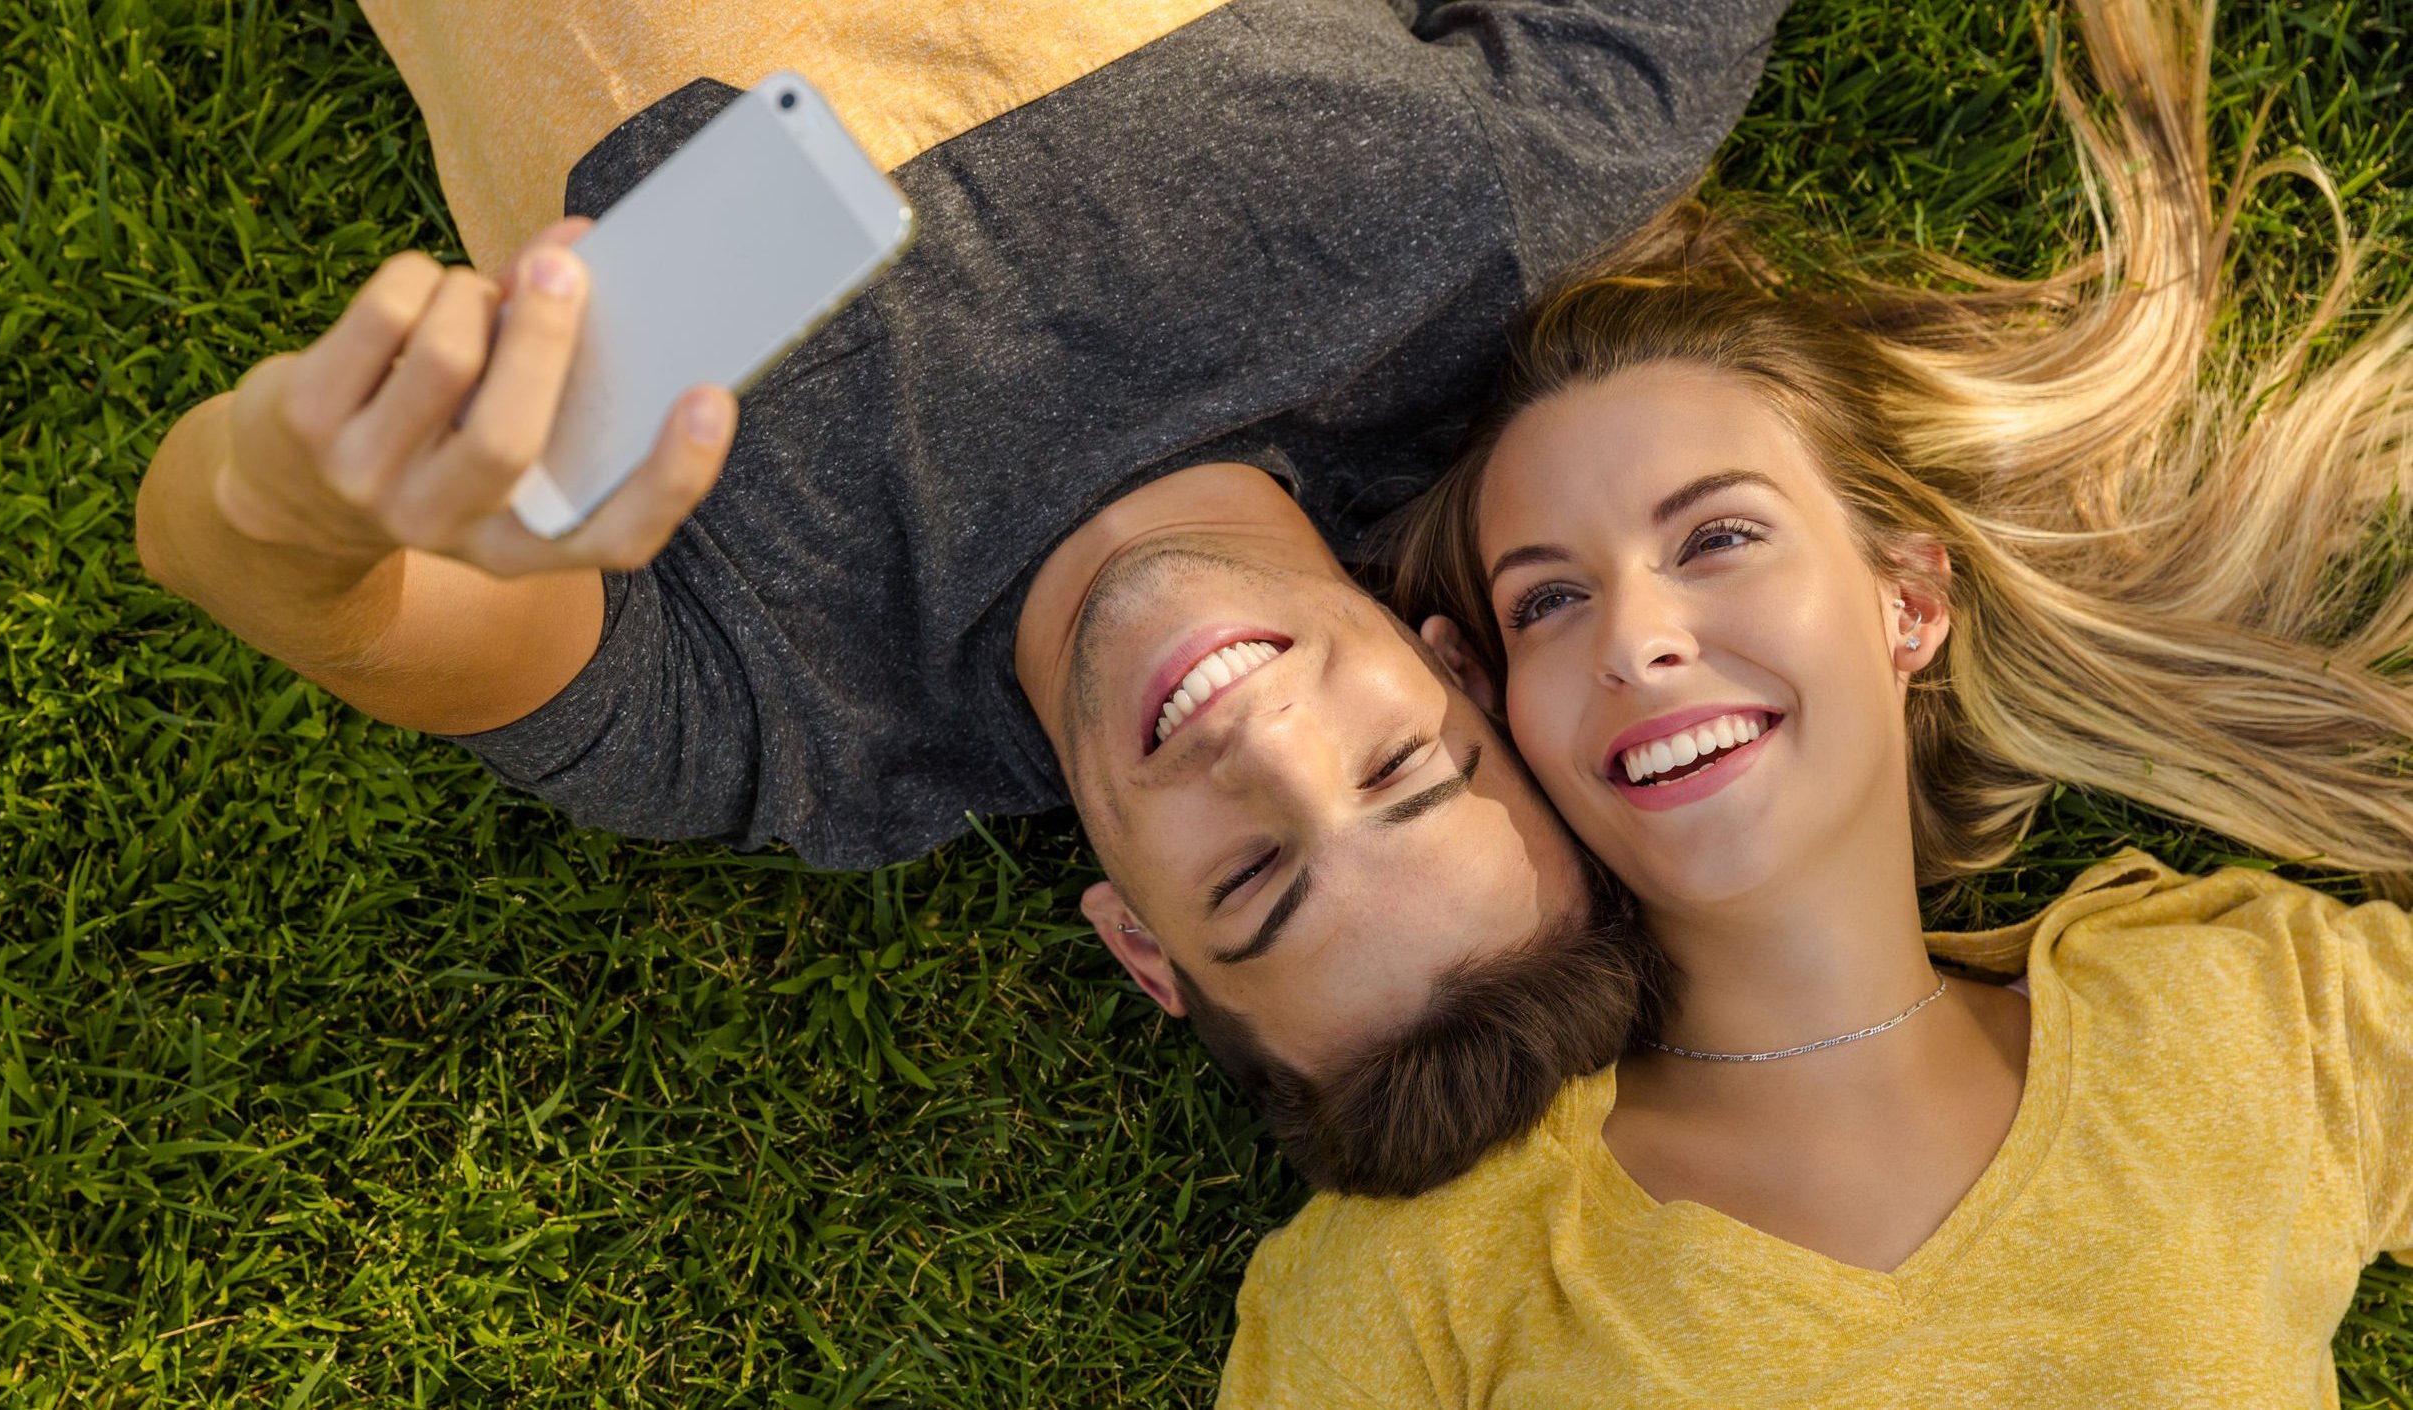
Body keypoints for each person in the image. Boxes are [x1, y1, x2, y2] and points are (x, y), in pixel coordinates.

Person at [133, 0, 1788, 1194]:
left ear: (1140, 944)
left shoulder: (789, 718)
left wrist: (290, 494)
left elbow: (274, 577)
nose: (1267, 746)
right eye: (1398, 771)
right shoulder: (1488, 214)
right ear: (1461, 668)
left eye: (1256, 884)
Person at [1218, 0, 2413, 1401]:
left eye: (1717, 537)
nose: (1638, 639)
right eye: (1550, 599)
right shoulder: (1422, 1279)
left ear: (1907, 600)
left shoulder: (2257, 1015)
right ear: (1496, 698)